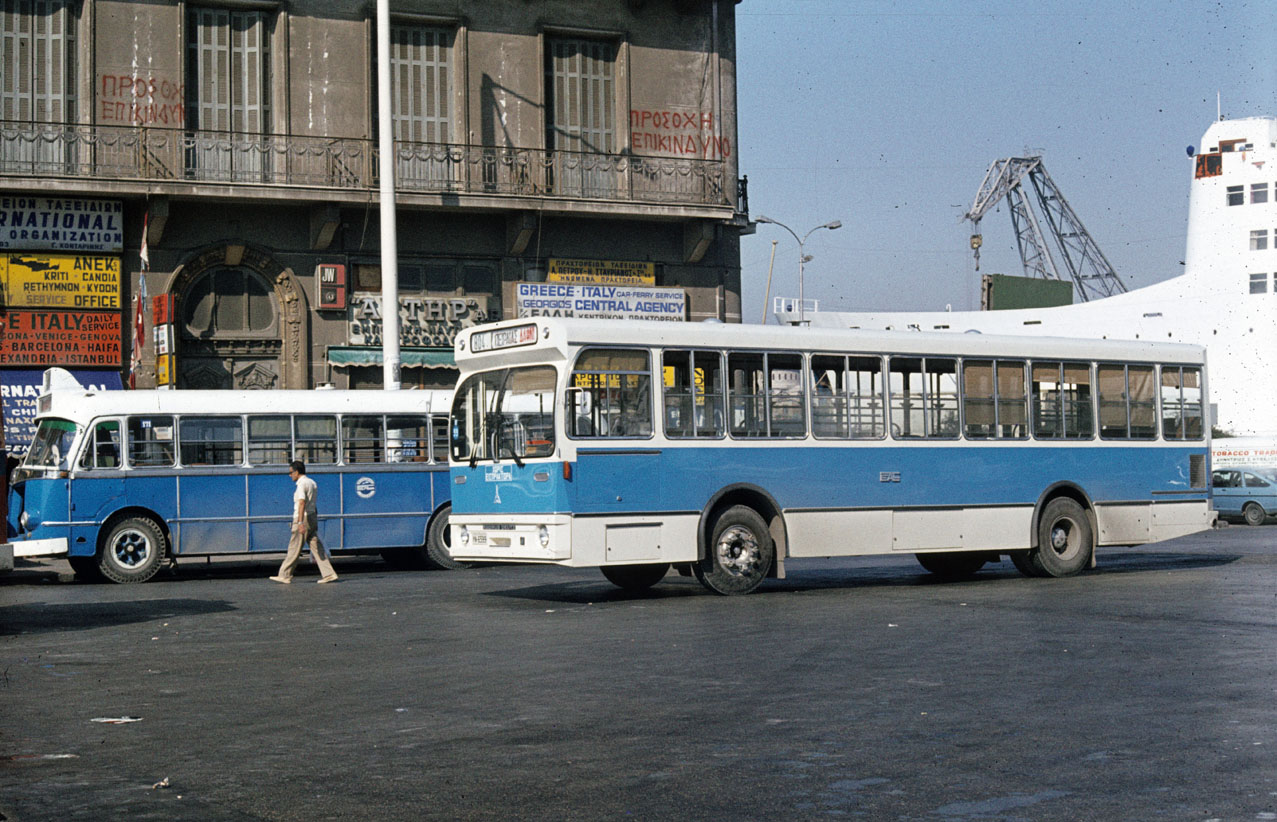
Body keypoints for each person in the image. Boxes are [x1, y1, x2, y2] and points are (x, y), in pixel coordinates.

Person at [270, 460, 338, 584]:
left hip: (303, 518)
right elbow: (313, 503)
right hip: (312, 517)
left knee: (294, 547)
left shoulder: (301, 484)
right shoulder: (312, 482)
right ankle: (329, 574)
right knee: (317, 548)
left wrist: (300, 522)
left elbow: (302, 503)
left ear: (297, 472)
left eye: (291, 473)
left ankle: (285, 575)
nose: (290, 475)